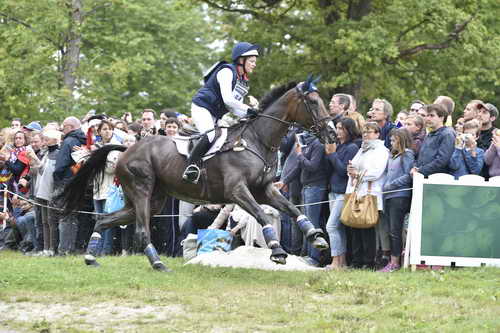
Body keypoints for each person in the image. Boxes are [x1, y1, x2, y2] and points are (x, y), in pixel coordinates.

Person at [183, 42, 260, 184]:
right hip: (202, 107)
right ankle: (191, 166)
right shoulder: (227, 72)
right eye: (251, 61)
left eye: (255, 62)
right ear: (241, 60)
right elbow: (228, 100)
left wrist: (249, 116)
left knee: (226, 137)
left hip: (215, 114)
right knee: (210, 135)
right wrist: (248, 109)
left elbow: (233, 108)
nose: (254, 64)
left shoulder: (243, 82)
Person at [346, 122, 389, 269]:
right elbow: (354, 167)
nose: (366, 135)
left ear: (377, 134)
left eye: (369, 132)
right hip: (357, 191)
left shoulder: (382, 151)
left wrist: (357, 174)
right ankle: (357, 261)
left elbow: (376, 172)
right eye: (364, 132)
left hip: (370, 192)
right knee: (355, 228)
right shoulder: (361, 149)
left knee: (367, 229)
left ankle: (368, 261)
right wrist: (351, 170)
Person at [324, 118, 360, 270]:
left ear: (348, 130)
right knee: (338, 228)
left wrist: (332, 155)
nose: (337, 131)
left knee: (331, 226)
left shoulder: (351, 147)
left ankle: (335, 261)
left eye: (341, 128)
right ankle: (341, 262)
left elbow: (342, 171)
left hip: (341, 192)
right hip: (333, 190)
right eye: (337, 128)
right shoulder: (339, 146)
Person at [379, 128, 414, 272]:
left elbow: (408, 175)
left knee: (395, 230)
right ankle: (392, 262)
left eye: (394, 140)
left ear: (401, 140)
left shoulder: (407, 154)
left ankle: (395, 263)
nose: (391, 143)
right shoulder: (392, 155)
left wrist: (391, 185)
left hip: (399, 196)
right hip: (388, 196)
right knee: (390, 230)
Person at [411, 104, 455, 178]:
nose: (428, 118)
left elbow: (442, 161)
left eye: (432, 115)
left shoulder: (447, 134)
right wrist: (415, 167)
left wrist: (420, 171)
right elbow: (421, 157)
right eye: (427, 115)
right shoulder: (429, 134)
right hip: (423, 178)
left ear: (441, 118)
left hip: (437, 181)